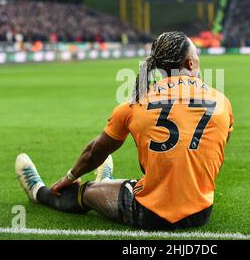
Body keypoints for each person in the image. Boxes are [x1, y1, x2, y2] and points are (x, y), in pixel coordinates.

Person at [15, 31, 234, 230]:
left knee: (87, 192)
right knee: (139, 184)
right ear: (190, 61)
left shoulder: (136, 103)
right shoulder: (222, 102)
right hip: (200, 212)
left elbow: (94, 153)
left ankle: (40, 193)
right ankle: (107, 181)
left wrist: (69, 177)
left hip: (152, 214)